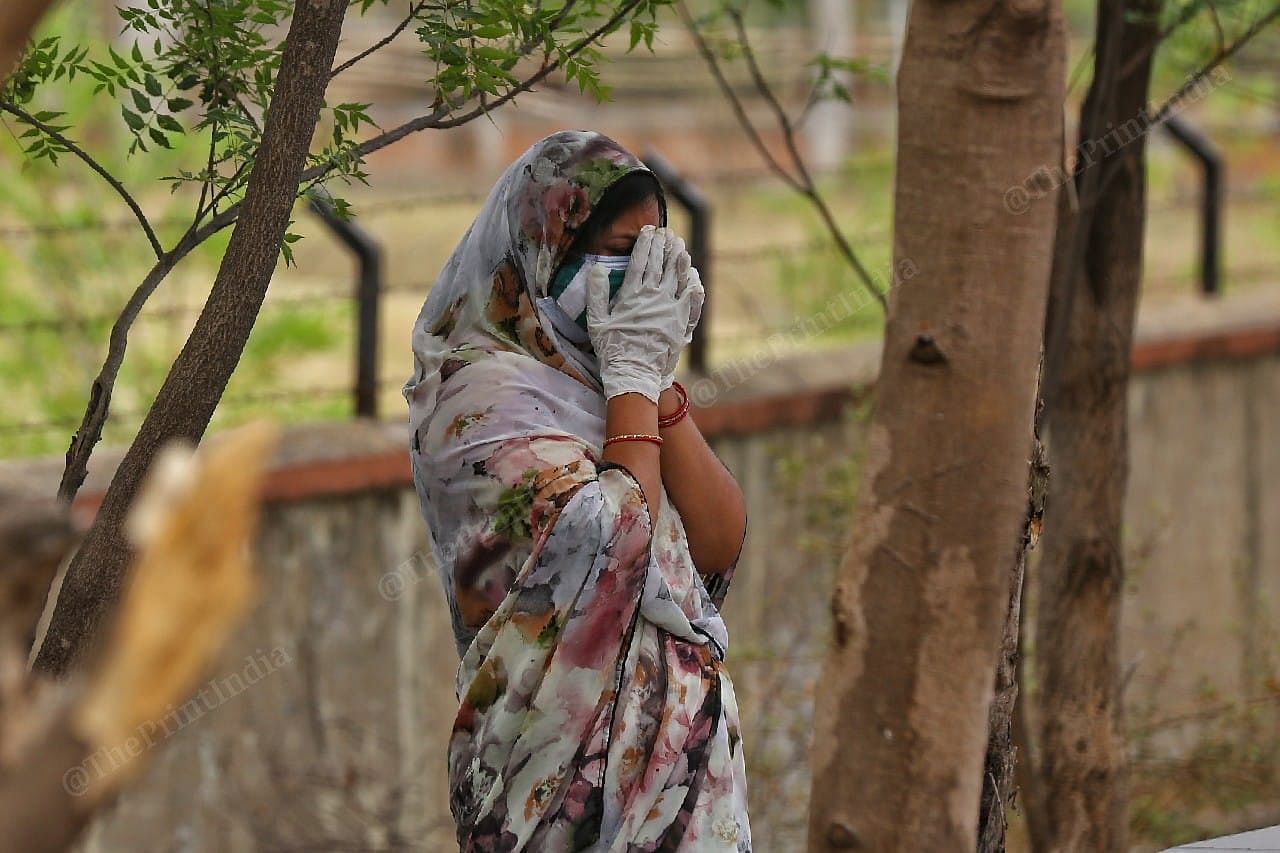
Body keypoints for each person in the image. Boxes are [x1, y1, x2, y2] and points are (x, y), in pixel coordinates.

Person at [403, 130, 750, 850]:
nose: (643, 274)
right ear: (548, 246)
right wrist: (628, 376)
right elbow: (613, 544)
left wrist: (650, 378)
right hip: (553, 784)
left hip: (684, 799)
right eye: (622, 251)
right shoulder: (475, 403)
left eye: (656, 251)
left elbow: (719, 542)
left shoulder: (608, 375)